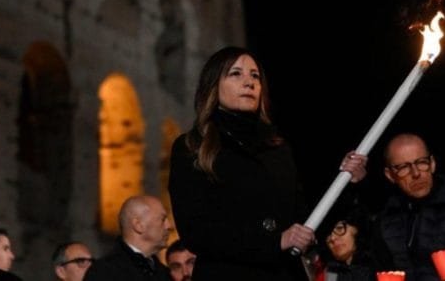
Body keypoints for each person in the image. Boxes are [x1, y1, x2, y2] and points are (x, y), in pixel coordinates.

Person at [168, 46, 367, 280]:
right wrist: (274, 241)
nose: (249, 82)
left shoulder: (277, 148)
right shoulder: (192, 147)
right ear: (213, 86)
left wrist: (345, 183)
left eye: (255, 76)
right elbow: (196, 232)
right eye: (236, 74)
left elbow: (306, 224)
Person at [372, 133, 445, 281]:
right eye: (403, 167)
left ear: (432, 164)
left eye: (422, 162)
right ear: (390, 175)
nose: (416, 173)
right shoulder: (384, 221)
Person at [84, 195, 172, 281]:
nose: (169, 226)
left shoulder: (164, 273)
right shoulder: (104, 272)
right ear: (138, 225)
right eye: (163, 219)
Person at [311, 203, 378, 281]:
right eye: (327, 235)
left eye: (339, 228)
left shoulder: (379, 265)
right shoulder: (331, 272)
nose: (332, 238)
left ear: (356, 229)